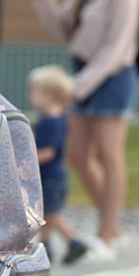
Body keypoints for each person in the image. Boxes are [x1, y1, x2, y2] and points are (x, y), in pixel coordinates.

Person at [24, 0, 139, 260]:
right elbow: (64, 29)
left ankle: (107, 234)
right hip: (83, 76)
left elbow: (115, 49)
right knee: (77, 156)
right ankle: (114, 226)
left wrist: (76, 86)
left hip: (112, 78)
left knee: (109, 155)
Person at [28, 65, 89, 264]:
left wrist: (26, 161)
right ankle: (45, 248)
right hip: (54, 176)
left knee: (49, 214)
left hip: (50, 177)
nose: (30, 95)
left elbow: (47, 152)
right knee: (45, 213)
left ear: (48, 94)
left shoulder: (50, 122)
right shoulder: (59, 118)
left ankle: (75, 242)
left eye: (33, 91)